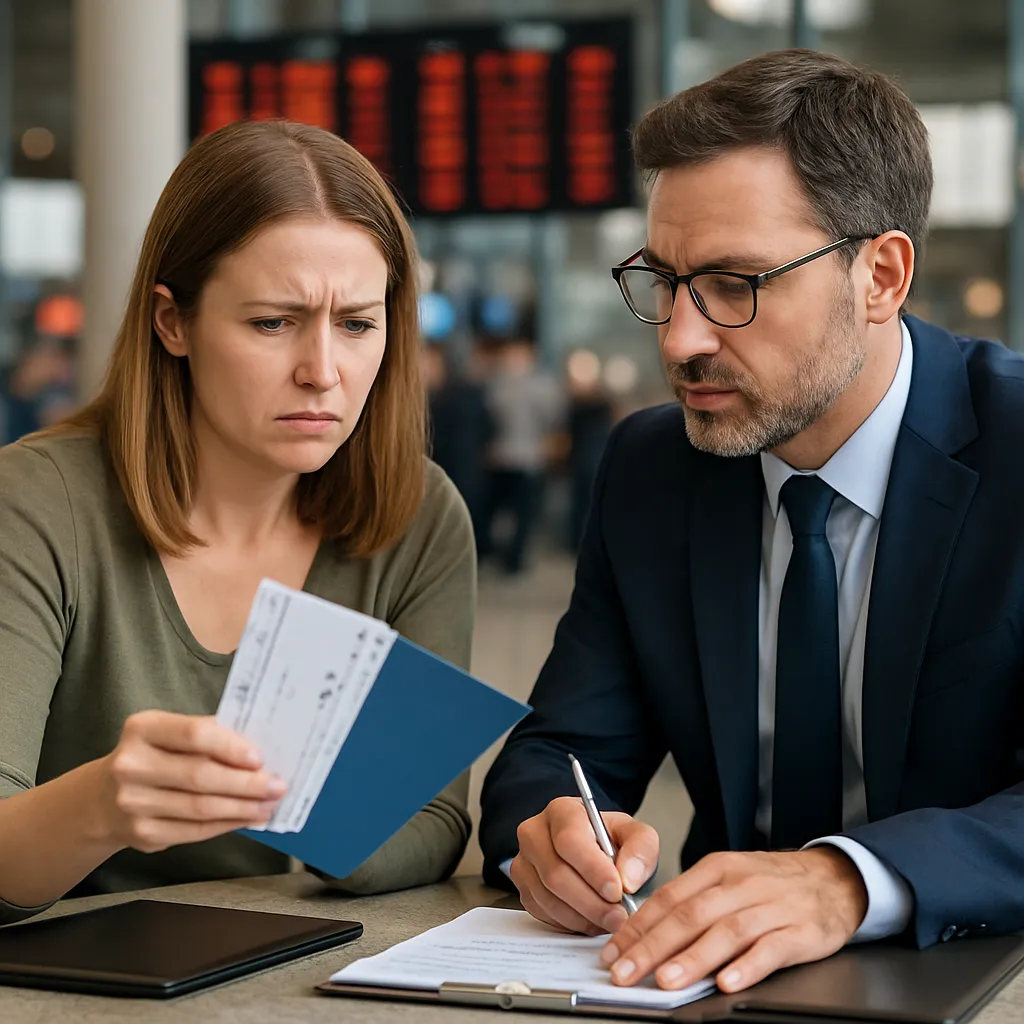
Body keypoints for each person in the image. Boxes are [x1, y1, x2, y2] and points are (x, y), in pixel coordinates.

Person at [480, 49, 1024, 996]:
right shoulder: (652, 468)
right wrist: (559, 835)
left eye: (736, 284)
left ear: (881, 276)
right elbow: (559, 753)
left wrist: (848, 883)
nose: (680, 338)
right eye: (665, 281)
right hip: (711, 983)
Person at [0, 119, 475, 924]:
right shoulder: (38, 503)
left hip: (291, 961)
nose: (322, 372)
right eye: (272, 322)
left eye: (357, 324)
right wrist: (103, 806)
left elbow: (432, 821)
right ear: (172, 322)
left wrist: (328, 813)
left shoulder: (418, 514)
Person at [478, 337, 564, 575]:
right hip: (499, 457)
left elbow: (553, 419)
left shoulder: (541, 385)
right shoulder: (495, 383)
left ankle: (515, 559)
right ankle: (490, 552)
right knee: (491, 510)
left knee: (524, 513)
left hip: (529, 458)